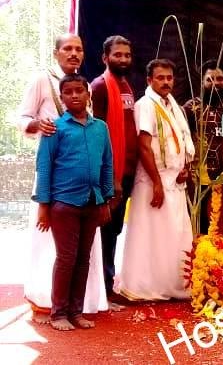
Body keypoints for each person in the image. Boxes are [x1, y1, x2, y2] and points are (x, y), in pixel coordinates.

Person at [17, 33, 108, 323]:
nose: (73, 53)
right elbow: (20, 118)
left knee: (83, 254)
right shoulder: (42, 79)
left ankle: (81, 305)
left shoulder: (82, 84)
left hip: (87, 188)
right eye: (67, 48)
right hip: (52, 177)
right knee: (54, 248)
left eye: (78, 49)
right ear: (56, 53)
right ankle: (48, 303)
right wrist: (37, 124)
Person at [33, 74, 113, 331]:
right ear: (62, 97)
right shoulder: (55, 129)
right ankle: (59, 313)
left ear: (88, 94)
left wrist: (105, 200)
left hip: (92, 202)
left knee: (83, 259)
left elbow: (107, 165)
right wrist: (44, 206)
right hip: (63, 204)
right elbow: (44, 167)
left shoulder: (100, 128)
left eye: (79, 90)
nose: (75, 95)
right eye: (68, 92)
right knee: (66, 258)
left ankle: (76, 312)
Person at [117, 59, 195, 300]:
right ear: (149, 80)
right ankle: (145, 286)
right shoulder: (145, 105)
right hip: (153, 181)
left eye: (169, 78)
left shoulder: (173, 105)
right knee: (151, 235)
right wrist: (157, 183)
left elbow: (181, 140)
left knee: (174, 233)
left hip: (175, 180)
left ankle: (172, 283)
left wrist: (184, 167)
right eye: (160, 78)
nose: (166, 82)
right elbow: (144, 146)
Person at [90, 35, 137, 310]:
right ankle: (103, 291)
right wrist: (111, 178)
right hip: (111, 173)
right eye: (117, 55)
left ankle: (107, 283)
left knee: (115, 229)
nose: (123, 59)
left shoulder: (126, 85)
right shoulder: (99, 86)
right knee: (105, 231)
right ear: (105, 57)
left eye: (127, 55)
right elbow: (98, 134)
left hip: (128, 170)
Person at [183, 59, 223, 234]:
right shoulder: (191, 108)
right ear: (202, 82)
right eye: (210, 79)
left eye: (220, 79)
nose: (216, 83)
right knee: (197, 223)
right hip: (197, 179)